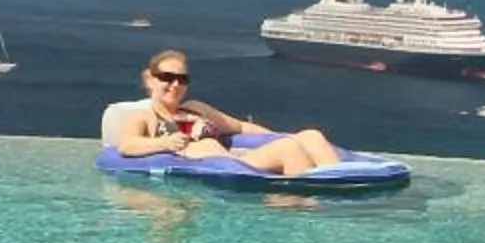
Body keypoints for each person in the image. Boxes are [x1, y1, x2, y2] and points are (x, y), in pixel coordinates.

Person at [107, 52, 346, 176]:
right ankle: (314, 207)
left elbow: (241, 127)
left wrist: (277, 135)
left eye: (182, 79)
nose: (175, 85)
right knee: (288, 149)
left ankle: (343, 181)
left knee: (310, 135)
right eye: (167, 78)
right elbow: (127, 146)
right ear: (150, 79)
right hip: (220, 166)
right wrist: (166, 142)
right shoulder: (143, 116)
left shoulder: (196, 108)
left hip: (235, 162)